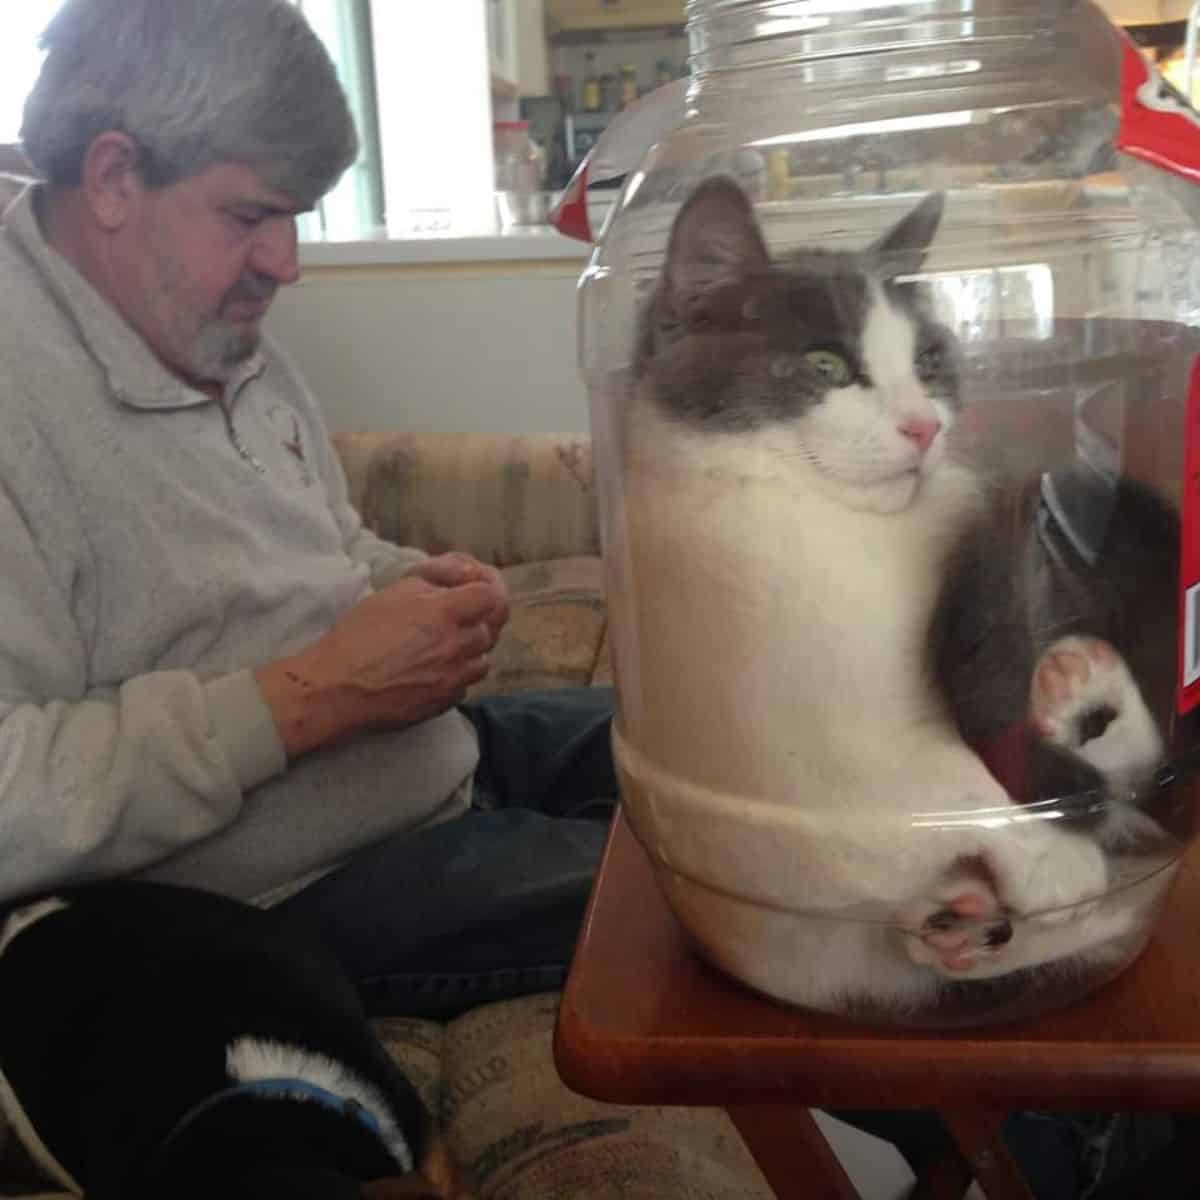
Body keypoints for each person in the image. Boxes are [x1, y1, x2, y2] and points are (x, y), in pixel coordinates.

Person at [0, 0, 615, 1019]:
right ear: (112, 178)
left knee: (710, 764)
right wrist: (312, 697)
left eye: (298, 216)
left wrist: (407, 588)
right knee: (722, 894)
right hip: (287, 897)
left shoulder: (208, 320)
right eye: (249, 215)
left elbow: (322, 545)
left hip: (435, 763)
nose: (287, 262)